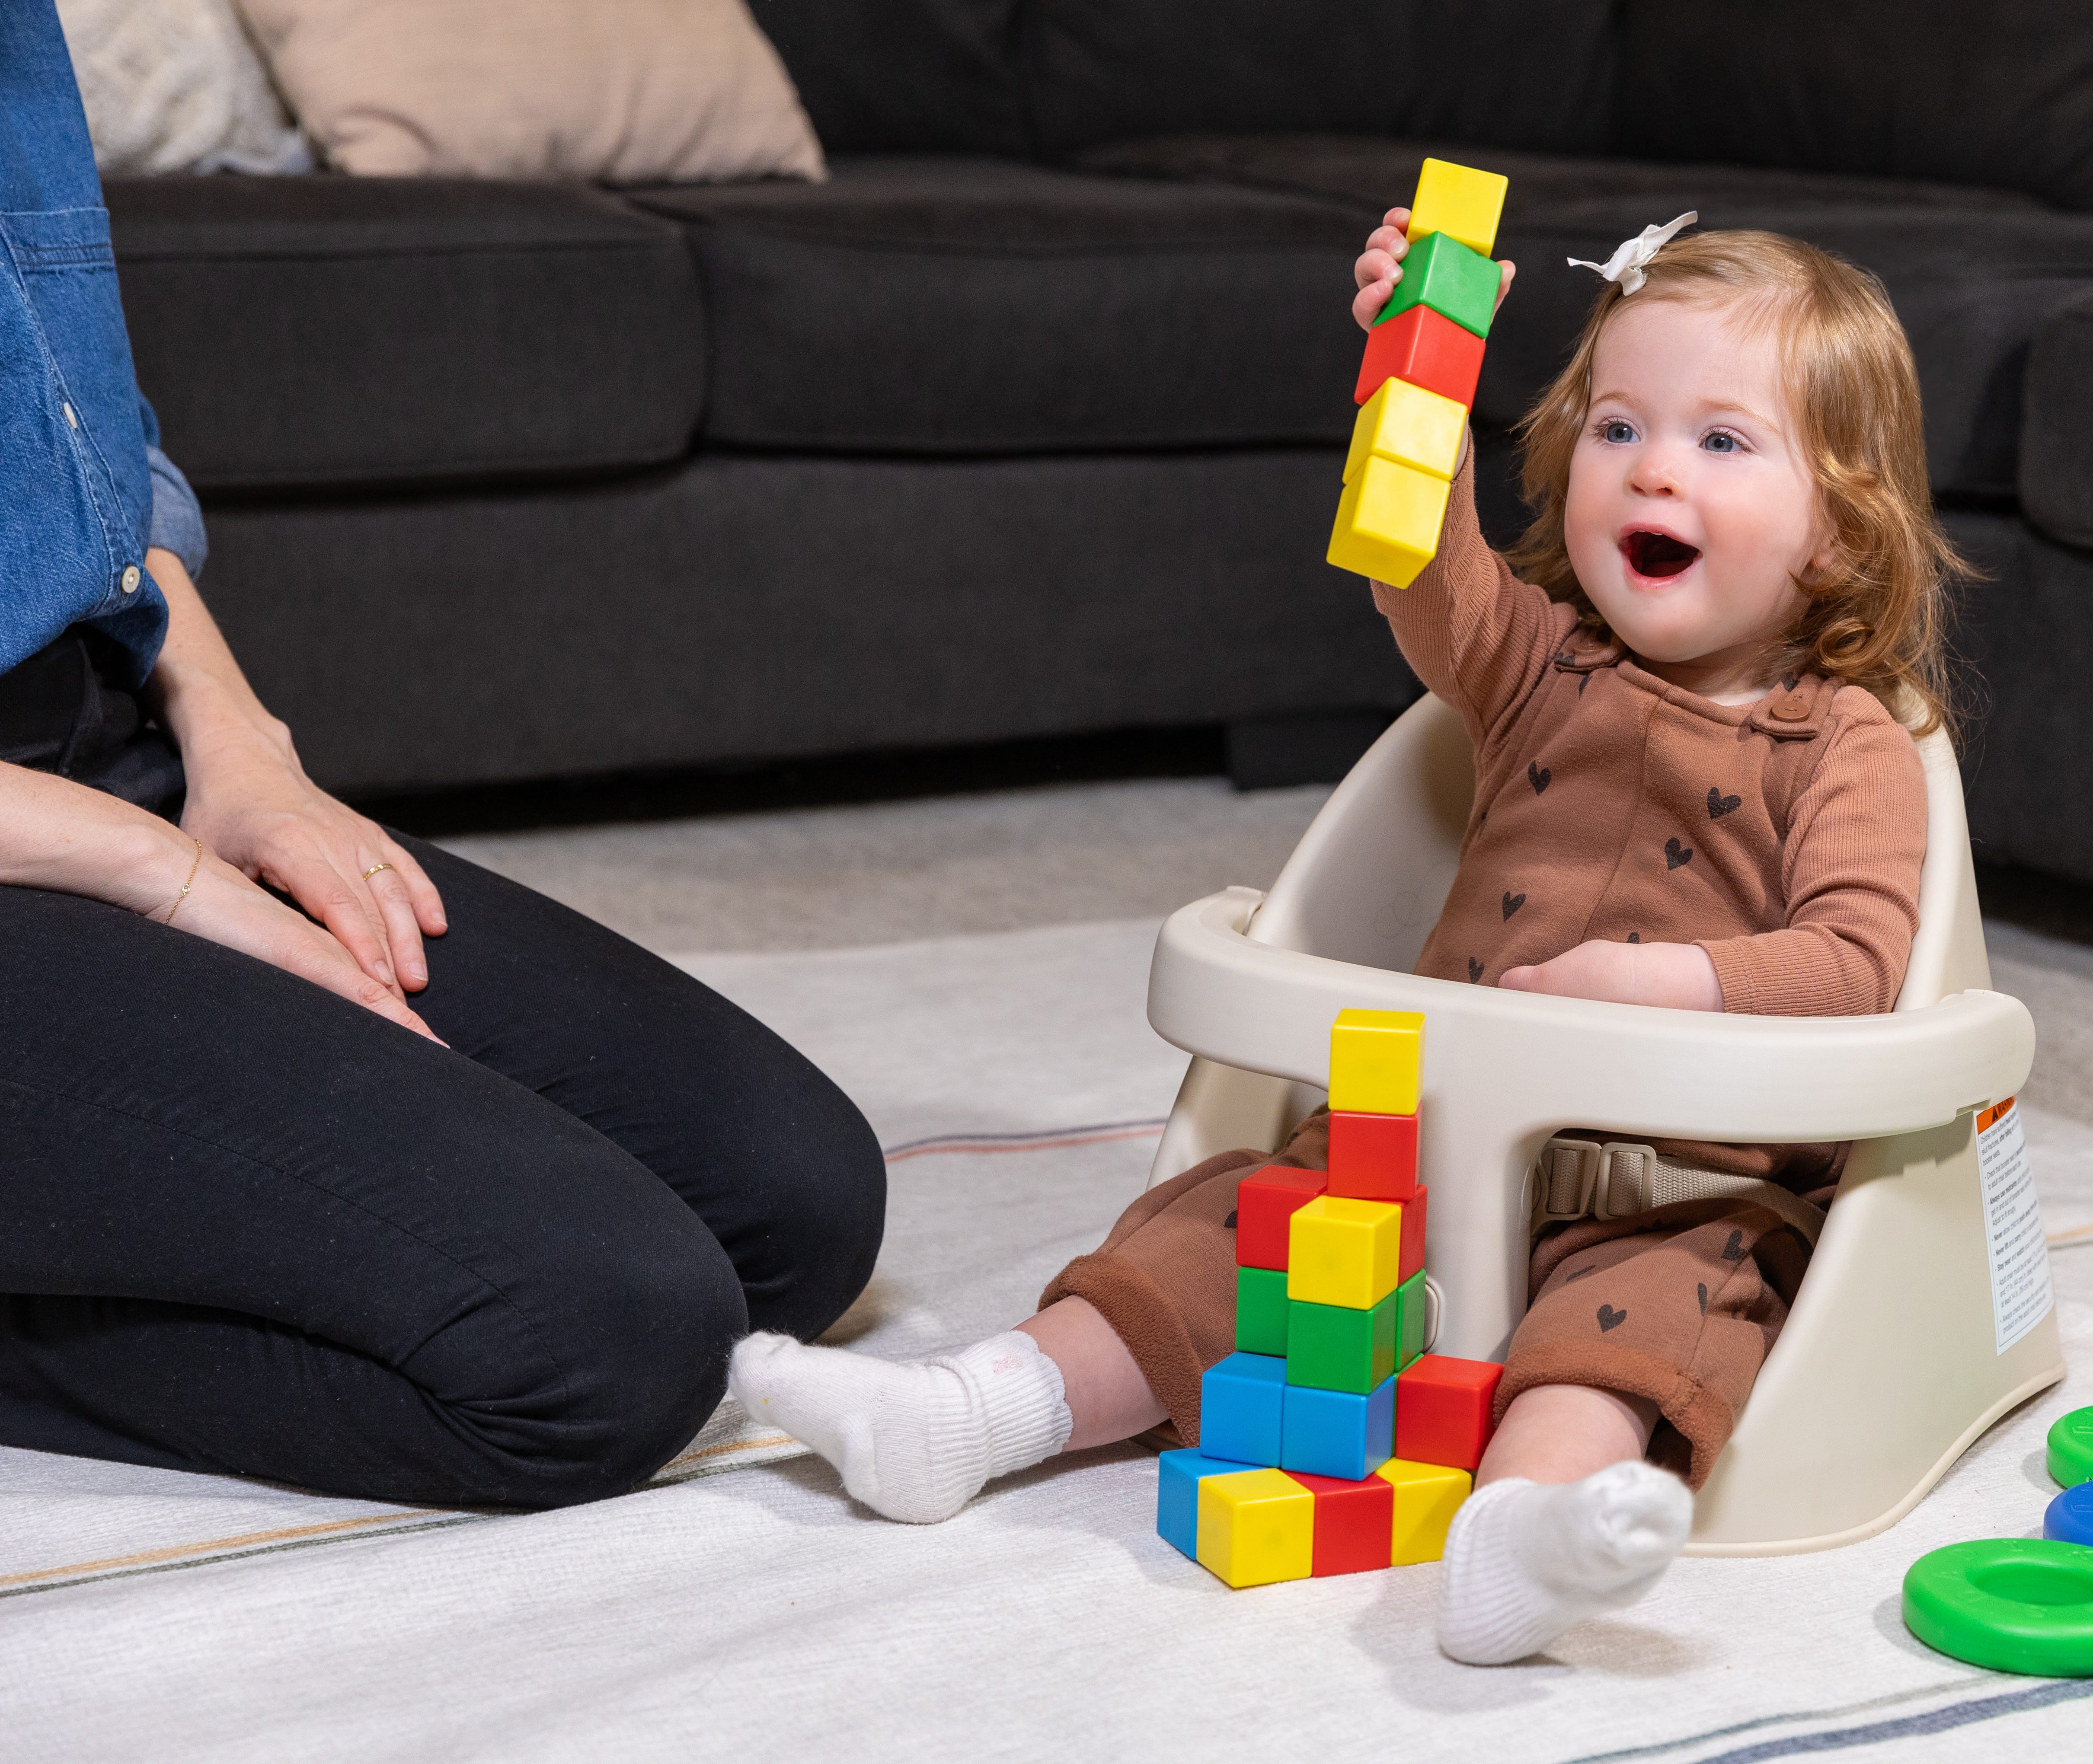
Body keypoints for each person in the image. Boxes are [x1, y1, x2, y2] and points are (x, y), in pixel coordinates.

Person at [730, 211, 1960, 1661]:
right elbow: (1418, 573)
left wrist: (1660, 983)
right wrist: (1413, 382)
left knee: (1631, 1330)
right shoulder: (1532, 667)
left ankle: (1522, 1538)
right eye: (1617, 425)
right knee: (1222, 1234)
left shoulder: (1851, 745)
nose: (1653, 466)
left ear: (1840, 528)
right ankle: (978, 1409)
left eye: (1722, 442)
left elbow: (1858, 971)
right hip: (1414, 1148)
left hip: (1671, 1183)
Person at [0, 0, 884, 1510]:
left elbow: (86, 454)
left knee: (791, 1208)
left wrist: (239, 747)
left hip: (91, 745)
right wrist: (162, 876)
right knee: (597, 1344)